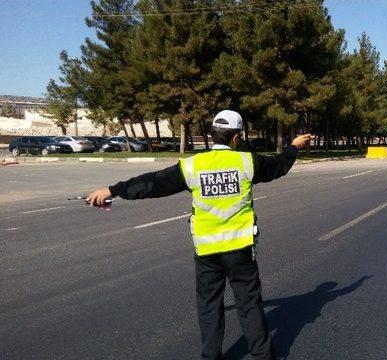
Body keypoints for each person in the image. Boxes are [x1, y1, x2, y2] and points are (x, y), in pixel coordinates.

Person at [87, 110, 311, 360]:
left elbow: (154, 183)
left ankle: (210, 356)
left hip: (207, 252)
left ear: (213, 135)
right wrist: (293, 147)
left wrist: (113, 190)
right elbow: (278, 166)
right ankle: (262, 355)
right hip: (240, 249)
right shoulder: (247, 162)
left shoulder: (193, 166)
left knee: (209, 307)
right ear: (236, 138)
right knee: (249, 304)